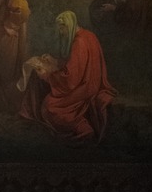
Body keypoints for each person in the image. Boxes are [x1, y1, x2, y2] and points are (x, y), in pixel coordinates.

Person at [21, 11, 114, 143]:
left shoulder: (79, 42)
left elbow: (70, 79)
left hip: (85, 87)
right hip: (91, 82)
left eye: (62, 27)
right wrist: (55, 61)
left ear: (69, 25)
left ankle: (82, 128)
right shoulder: (89, 35)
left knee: (50, 107)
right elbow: (77, 65)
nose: (61, 31)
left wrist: (47, 75)